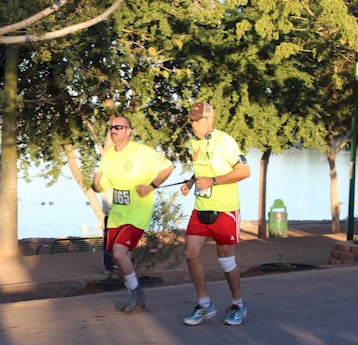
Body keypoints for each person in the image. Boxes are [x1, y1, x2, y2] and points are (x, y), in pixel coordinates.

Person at [92, 116, 174, 312]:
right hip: (117, 214)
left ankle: (137, 294)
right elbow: (100, 186)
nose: (113, 130)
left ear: (128, 131)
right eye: (111, 127)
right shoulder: (108, 155)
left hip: (137, 212)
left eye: (118, 127)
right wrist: (95, 184)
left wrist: (151, 186)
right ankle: (135, 296)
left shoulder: (142, 152)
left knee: (119, 253)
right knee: (118, 257)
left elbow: (168, 167)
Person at [180, 101, 251, 326]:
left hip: (225, 210)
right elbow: (201, 170)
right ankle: (205, 304)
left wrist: (214, 181)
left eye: (198, 120)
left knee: (226, 259)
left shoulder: (225, 141)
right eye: (191, 121)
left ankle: (238, 305)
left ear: (210, 119)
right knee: (190, 254)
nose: (194, 125)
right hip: (201, 208)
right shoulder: (194, 142)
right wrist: (190, 182)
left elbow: (244, 171)